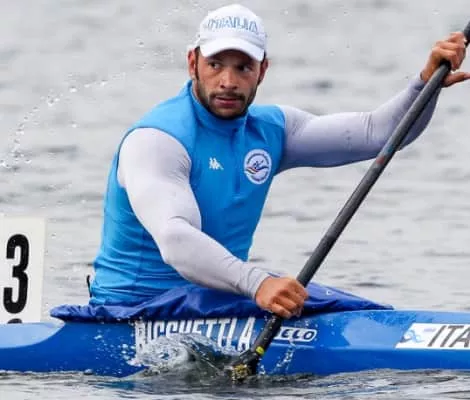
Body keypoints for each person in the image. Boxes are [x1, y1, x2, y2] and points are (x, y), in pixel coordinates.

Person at [88, 4, 469, 319]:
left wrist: (424, 82)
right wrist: (259, 283)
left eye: (243, 67)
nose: (228, 81)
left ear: (262, 71)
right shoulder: (158, 139)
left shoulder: (272, 130)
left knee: (358, 310)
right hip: (133, 311)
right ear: (192, 63)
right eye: (216, 64)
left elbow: (379, 134)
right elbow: (175, 239)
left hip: (219, 300)